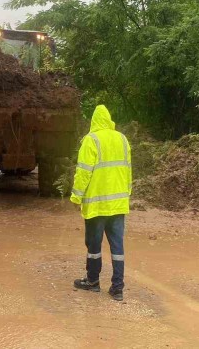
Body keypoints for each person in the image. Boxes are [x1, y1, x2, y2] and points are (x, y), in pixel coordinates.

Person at [70, 105, 132, 301]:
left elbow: (83, 172)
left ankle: (93, 281)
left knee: (94, 245)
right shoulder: (122, 139)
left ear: (94, 121)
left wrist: (76, 197)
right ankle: (117, 288)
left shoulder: (91, 140)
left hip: (97, 206)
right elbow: (128, 171)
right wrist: (126, 195)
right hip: (118, 205)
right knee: (117, 247)